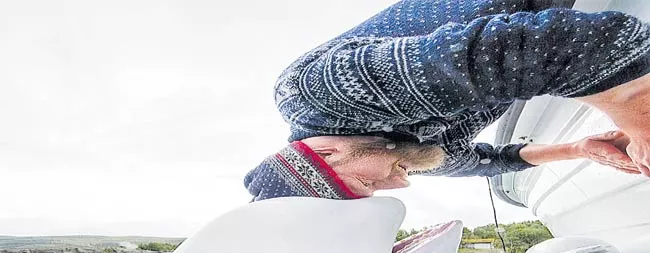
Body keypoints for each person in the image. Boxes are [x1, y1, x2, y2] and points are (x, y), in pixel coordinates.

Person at [244, 0, 650, 201]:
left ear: (327, 153)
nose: (399, 183)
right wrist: (577, 148)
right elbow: (487, 162)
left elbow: (549, 48)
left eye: (368, 182)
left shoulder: (322, 94)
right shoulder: (398, 152)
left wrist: (640, 122)